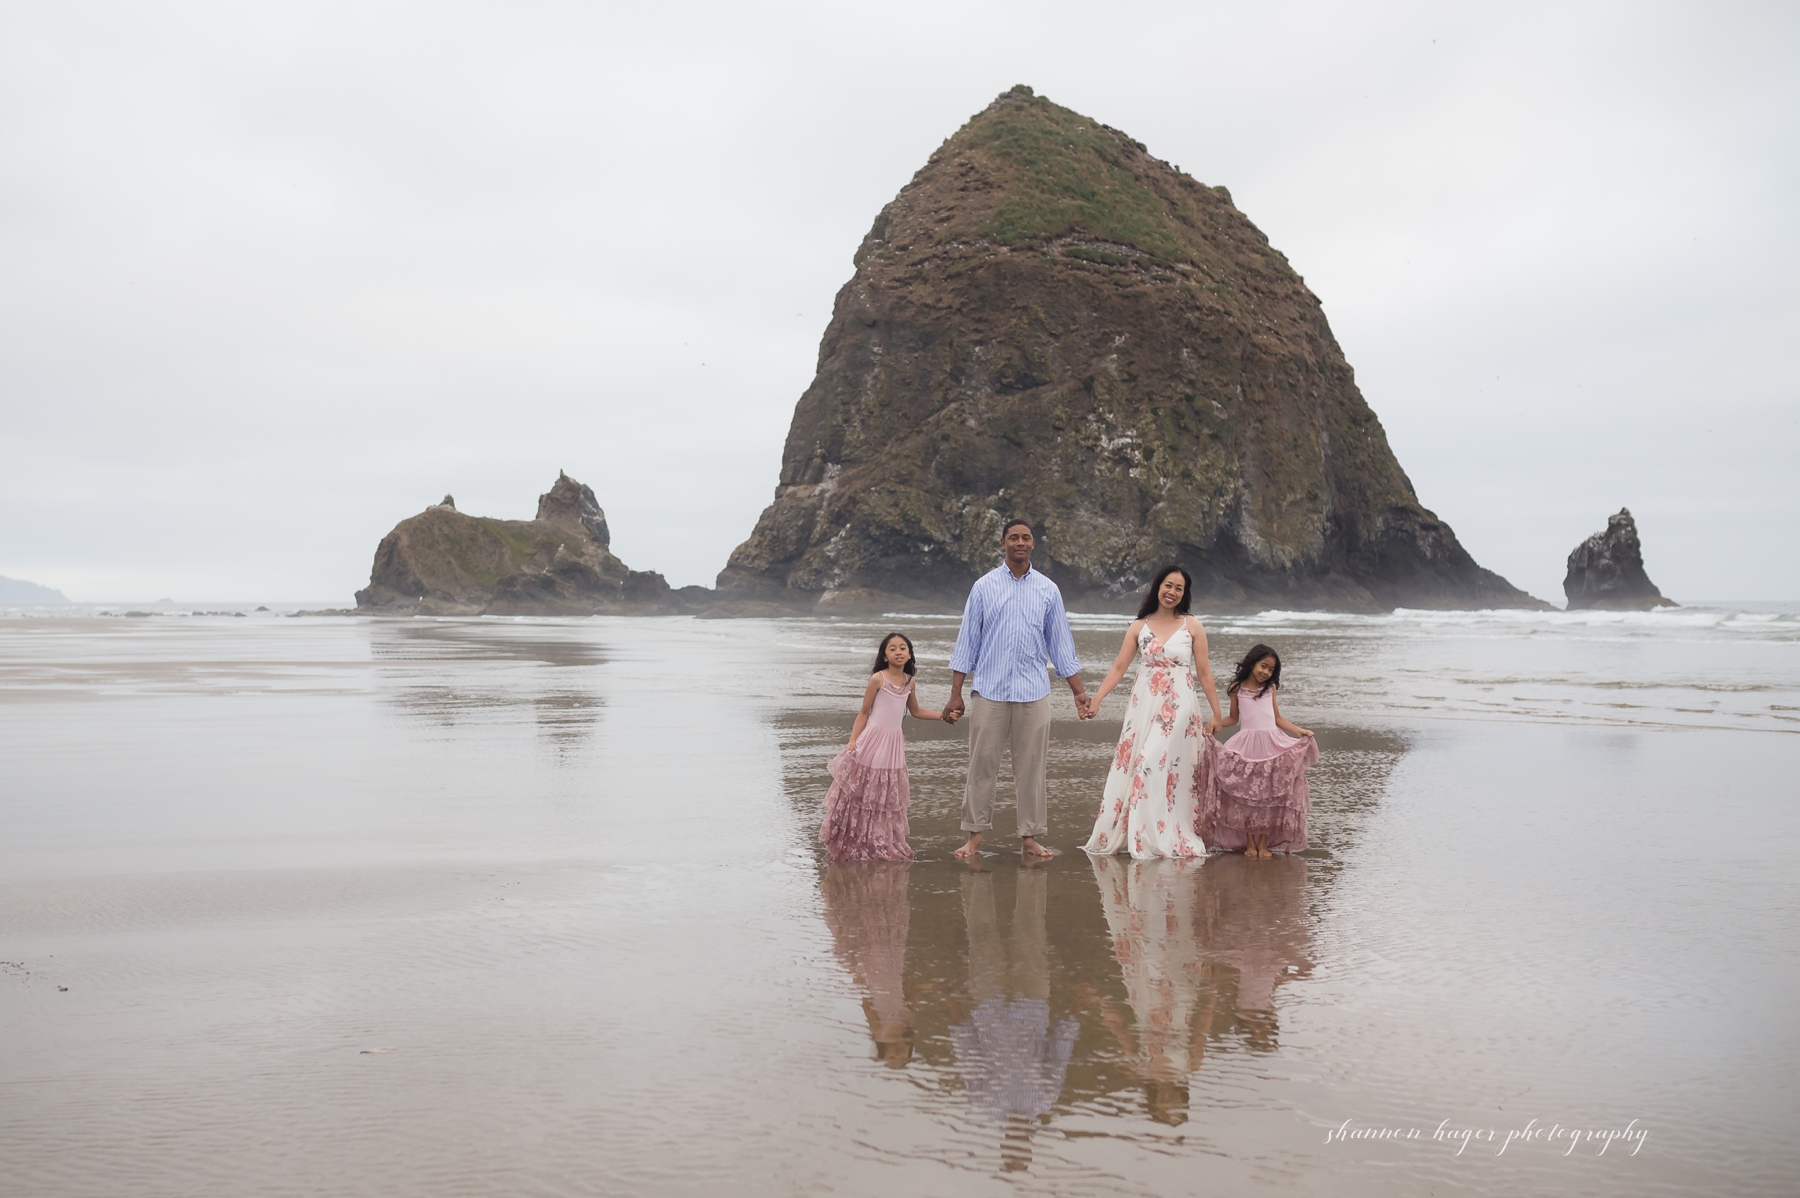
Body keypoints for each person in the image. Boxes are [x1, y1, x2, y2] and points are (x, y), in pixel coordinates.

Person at [946, 521, 1091, 860]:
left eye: (1026, 538)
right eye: (1014, 537)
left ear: (1033, 544)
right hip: (989, 691)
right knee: (981, 766)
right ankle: (974, 837)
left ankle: (1030, 838)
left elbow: (1061, 646)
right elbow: (967, 643)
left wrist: (1078, 692)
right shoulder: (983, 587)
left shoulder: (1047, 590)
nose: (1020, 542)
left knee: (1031, 769)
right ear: (1003, 543)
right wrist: (956, 693)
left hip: (1034, 693)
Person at [1079, 565, 1224, 859]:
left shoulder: (1192, 626)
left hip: (1180, 706)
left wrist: (1217, 713)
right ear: (1158, 587)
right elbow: (1119, 667)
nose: (1171, 592)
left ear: (1185, 594)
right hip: (1144, 704)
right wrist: (1097, 699)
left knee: (1153, 762)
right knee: (1142, 762)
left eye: (1178, 588)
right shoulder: (1138, 627)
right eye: (1168, 585)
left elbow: (1205, 672)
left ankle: (1160, 834)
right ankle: (1144, 833)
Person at [820, 632, 954, 862]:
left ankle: (879, 843)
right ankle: (853, 843)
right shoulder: (878, 679)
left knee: (884, 798)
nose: (898, 652)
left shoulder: (909, 681)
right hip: (872, 740)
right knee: (863, 794)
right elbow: (864, 712)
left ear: (910, 654)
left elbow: (916, 711)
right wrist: (853, 741)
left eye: (903, 648)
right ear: (884, 656)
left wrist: (943, 716)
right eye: (892, 648)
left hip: (893, 744)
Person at [1208, 644, 1316, 857]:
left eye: (1270, 670)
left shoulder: (1270, 689)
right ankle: (1249, 842)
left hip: (1271, 743)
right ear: (1252, 662)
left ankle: (1264, 843)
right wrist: (1214, 723)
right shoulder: (1236, 688)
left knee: (1269, 794)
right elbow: (1234, 718)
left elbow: (1277, 718)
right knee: (1248, 794)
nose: (1265, 672)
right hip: (1247, 743)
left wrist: (1299, 731)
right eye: (1263, 666)